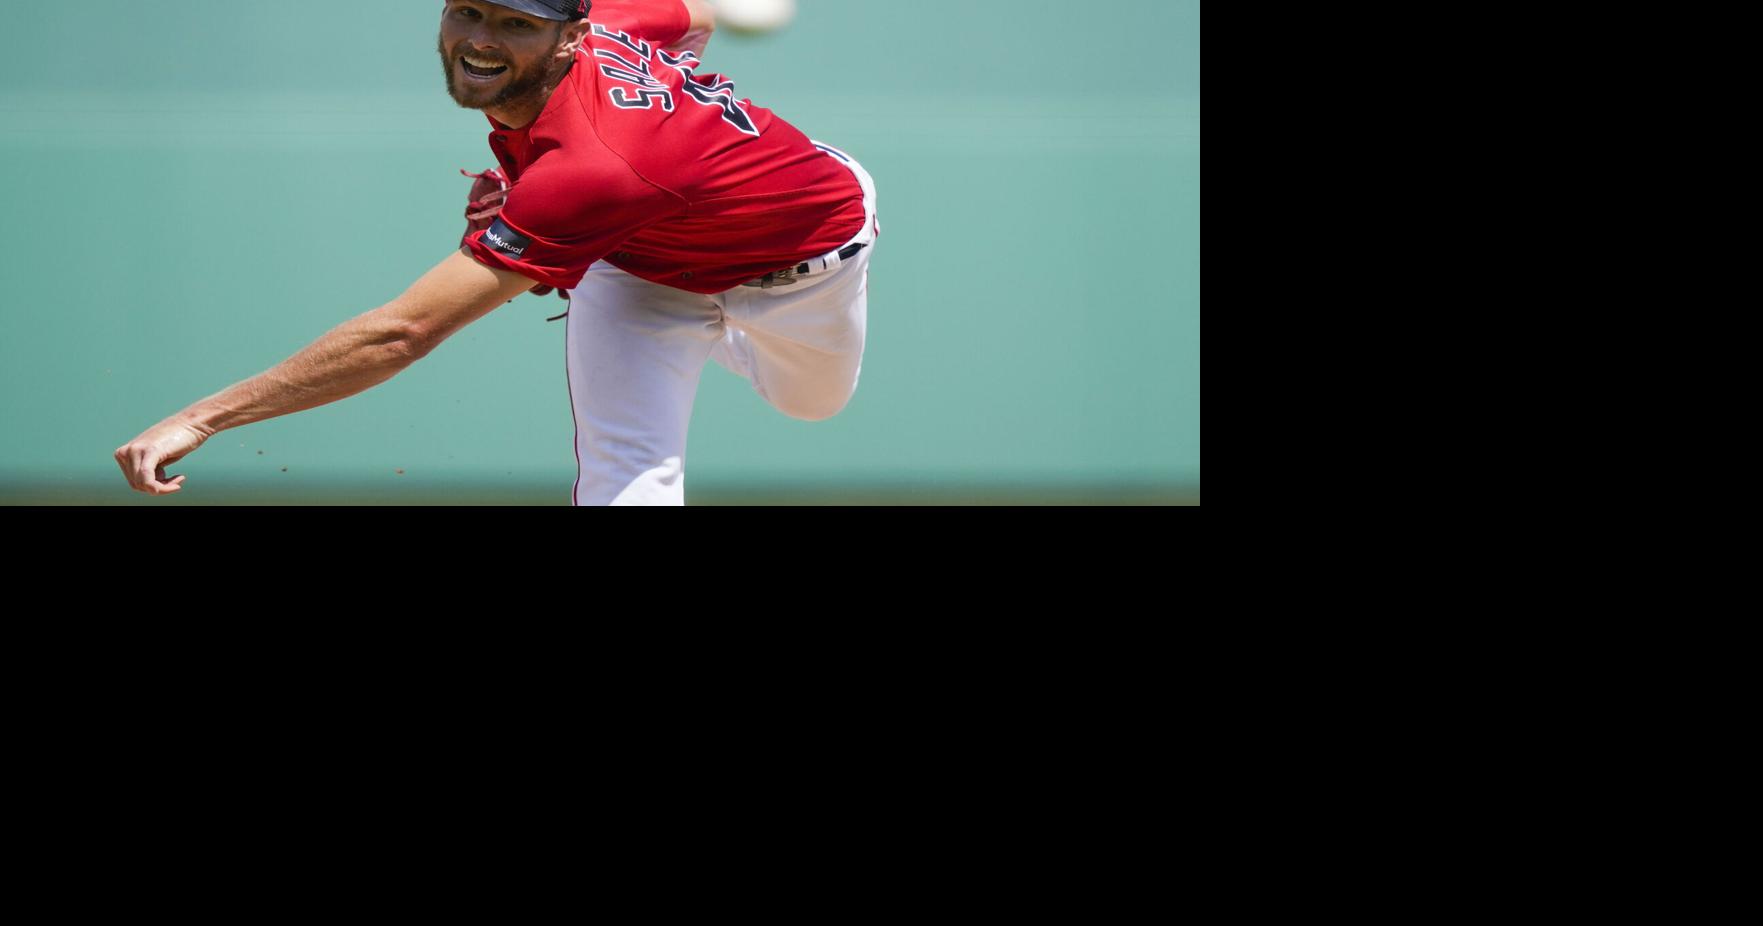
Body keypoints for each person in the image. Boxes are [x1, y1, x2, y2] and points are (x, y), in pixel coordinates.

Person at [114, 0, 879, 505]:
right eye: (468, 10)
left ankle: (718, 335)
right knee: (625, 484)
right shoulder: (605, 23)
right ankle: (606, 279)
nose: (480, 38)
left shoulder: (597, 167)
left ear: (571, 36)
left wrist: (204, 418)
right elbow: (692, 11)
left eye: (514, 22)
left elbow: (403, 333)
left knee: (810, 405)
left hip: (805, 266)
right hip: (638, 271)